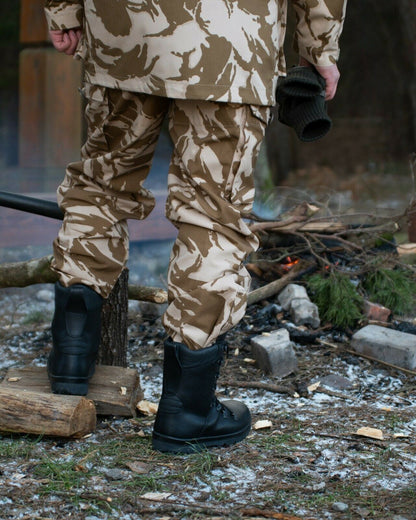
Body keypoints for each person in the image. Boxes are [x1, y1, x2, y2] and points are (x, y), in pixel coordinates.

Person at [44, 0, 347, 453]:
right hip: (230, 41)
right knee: (213, 213)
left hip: (123, 30)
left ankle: (70, 359)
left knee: (100, 184)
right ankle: (187, 410)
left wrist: (63, 11)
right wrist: (319, 46)